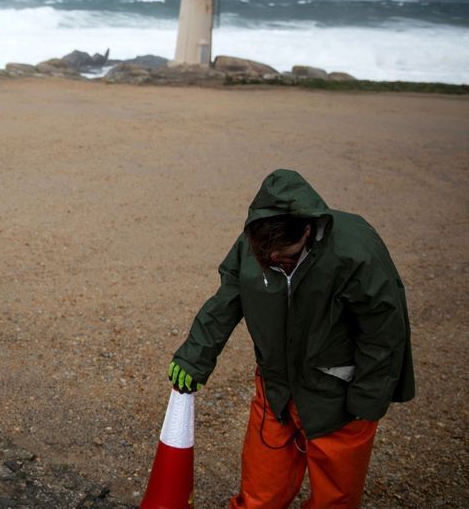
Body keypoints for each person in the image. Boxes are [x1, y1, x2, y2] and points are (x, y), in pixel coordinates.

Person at [167, 169, 414, 508]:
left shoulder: (356, 253)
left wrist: (366, 402)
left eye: (286, 256)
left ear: (308, 230)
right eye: (266, 257)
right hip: (276, 389)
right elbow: (227, 300)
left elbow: (384, 333)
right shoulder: (252, 243)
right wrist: (194, 356)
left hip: (339, 398)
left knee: (334, 501)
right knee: (259, 495)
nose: (275, 261)